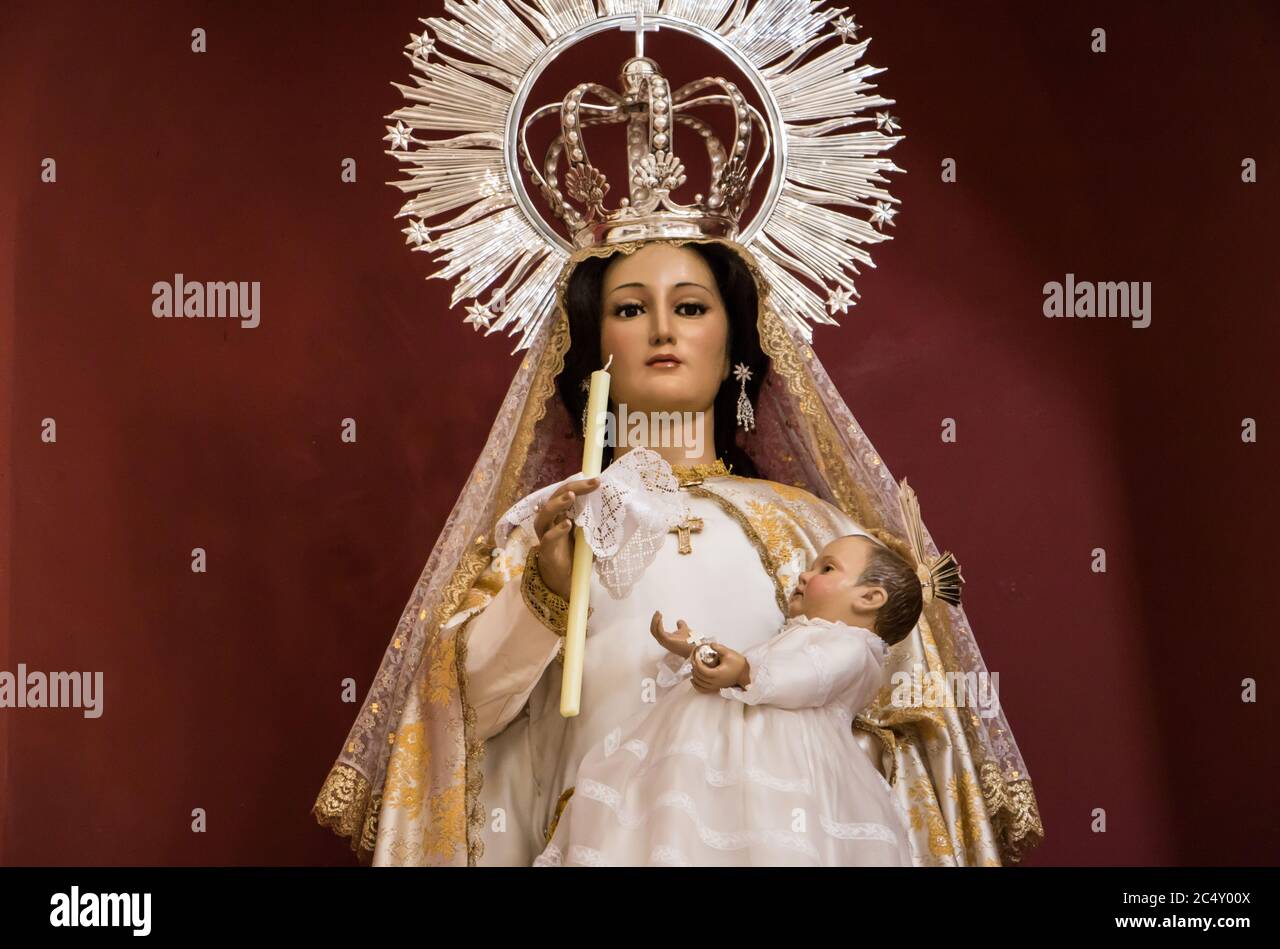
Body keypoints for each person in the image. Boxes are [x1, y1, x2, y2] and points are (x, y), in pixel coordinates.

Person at [313, 9, 1043, 867]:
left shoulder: (817, 532)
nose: (662, 327)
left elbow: (898, 718)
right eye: (630, 308)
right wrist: (544, 594)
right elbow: (462, 711)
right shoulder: (557, 518)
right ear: (595, 347)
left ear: (733, 337)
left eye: (691, 307)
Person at [534, 534, 922, 866]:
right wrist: (696, 649)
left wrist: (744, 674)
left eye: (827, 569)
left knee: (760, 835)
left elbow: (809, 677)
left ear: (869, 597)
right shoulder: (798, 635)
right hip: (722, 749)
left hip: (781, 761)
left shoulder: (850, 647)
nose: (805, 574)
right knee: (682, 825)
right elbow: (753, 667)